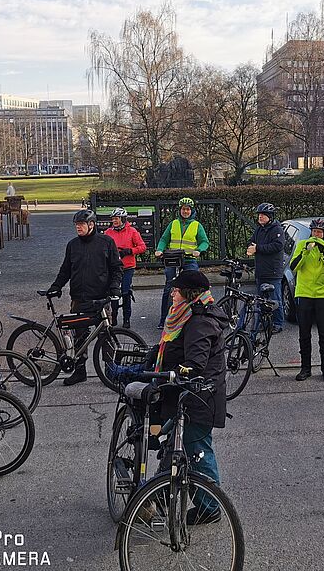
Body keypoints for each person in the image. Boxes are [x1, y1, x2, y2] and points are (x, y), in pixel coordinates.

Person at [153, 269, 228, 523]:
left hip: (199, 397)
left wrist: (170, 374)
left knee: (197, 449)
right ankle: (161, 496)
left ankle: (210, 507)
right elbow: (174, 345)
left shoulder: (199, 322)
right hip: (190, 395)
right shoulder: (187, 315)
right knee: (177, 442)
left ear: (188, 294)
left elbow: (195, 364)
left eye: (176, 290)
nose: (172, 292)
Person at [47, 209, 122, 385]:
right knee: (79, 336)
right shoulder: (72, 245)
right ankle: (80, 371)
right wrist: (56, 286)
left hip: (101, 299)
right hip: (79, 299)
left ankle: (109, 371)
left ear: (91, 224)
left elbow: (116, 268)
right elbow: (66, 270)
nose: (78, 228)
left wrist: (114, 287)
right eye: (76, 225)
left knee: (106, 336)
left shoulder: (106, 242)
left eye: (81, 225)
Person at [289, 219, 324, 382]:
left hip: (322, 295)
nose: (316, 235)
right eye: (314, 231)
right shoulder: (302, 245)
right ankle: (305, 368)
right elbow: (293, 267)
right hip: (304, 293)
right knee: (304, 334)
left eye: (319, 232)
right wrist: (305, 251)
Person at [154, 198, 209, 330]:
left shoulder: (197, 225)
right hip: (173, 258)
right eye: (183, 209)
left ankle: (194, 315)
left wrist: (199, 250)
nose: (186, 211)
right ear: (180, 210)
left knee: (193, 284)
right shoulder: (173, 224)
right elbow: (164, 239)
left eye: (188, 209)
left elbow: (204, 242)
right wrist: (159, 249)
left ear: (192, 210)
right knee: (169, 286)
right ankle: (164, 319)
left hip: (189, 259)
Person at [245, 203, 286, 334]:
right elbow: (251, 242)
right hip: (261, 271)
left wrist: (258, 248)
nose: (260, 217)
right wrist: (251, 247)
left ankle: (278, 323)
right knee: (261, 299)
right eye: (259, 215)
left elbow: (277, 246)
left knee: (275, 299)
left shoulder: (277, 230)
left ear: (270, 216)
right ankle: (264, 322)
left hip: (273, 271)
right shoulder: (259, 230)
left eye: (263, 215)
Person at [104, 208, 147, 329]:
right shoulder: (108, 232)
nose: (114, 221)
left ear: (123, 219)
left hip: (128, 267)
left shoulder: (132, 231)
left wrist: (130, 251)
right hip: (113, 267)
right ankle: (114, 316)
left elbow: (142, 247)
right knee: (114, 292)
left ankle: (126, 318)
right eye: (113, 219)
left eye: (116, 219)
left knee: (125, 292)